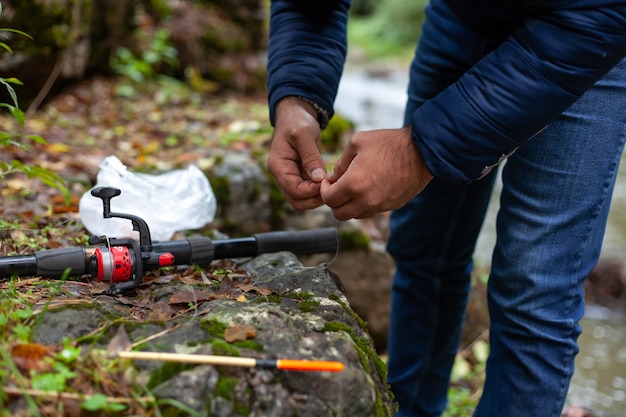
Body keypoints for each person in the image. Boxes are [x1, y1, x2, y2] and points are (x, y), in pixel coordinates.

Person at [265, 0, 626, 416]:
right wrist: (297, 96)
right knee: (424, 245)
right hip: (464, 17)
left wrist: (419, 150)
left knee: (535, 288)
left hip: (585, 31)